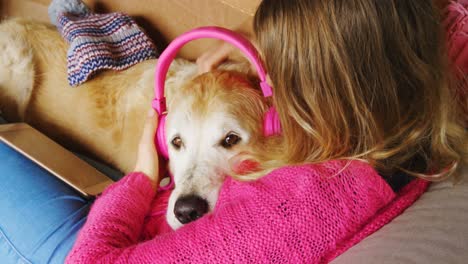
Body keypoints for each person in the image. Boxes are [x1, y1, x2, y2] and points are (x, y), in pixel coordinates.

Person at [0, 0, 466, 263]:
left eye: (279, 71)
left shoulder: (302, 205)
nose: (267, 79)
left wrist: (142, 175)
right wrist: (257, 44)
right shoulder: (438, 63)